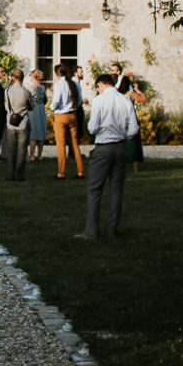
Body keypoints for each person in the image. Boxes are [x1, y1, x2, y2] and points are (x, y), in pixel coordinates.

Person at [77, 73, 138, 241]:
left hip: (103, 146)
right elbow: (134, 128)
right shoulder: (125, 100)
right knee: (116, 190)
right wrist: (123, 135)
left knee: (95, 189)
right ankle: (112, 229)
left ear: (100, 85)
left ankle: (91, 230)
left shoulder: (99, 100)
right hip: (120, 146)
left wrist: (101, 130)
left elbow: (92, 128)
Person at [50, 64, 84, 180]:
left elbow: (56, 101)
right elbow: (79, 101)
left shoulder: (59, 85)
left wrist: (51, 107)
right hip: (72, 114)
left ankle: (61, 172)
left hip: (61, 115)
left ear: (56, 74)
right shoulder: (73, 83)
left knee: (61, 144)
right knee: (74, 143)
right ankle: (80, 171)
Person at [3, 69, 34, 182]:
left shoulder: (7, 91)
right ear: (22, 78)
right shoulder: (25, 92)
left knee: (11, 149)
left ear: (13, 77)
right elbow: (31, 106)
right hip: (23, 122)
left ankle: (10, 174)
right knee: (22, 150)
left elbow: (6, 106)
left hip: (10, 122)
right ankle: (19, 174)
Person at [115, 72, 147, 173]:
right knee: (133, 142)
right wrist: (137, 90)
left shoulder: (117, 94)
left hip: (120, 118)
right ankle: (135, 167)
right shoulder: (131, 94)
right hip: (131, 117)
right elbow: (144, 99)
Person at [27, 69, 48, 161]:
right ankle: (39, 155)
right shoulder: (43, 87)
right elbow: (44, 99)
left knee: (33, 133)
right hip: (41, 109)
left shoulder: (31, 88)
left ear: (33, 77)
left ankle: (31, 155)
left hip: (33, 109)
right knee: (41, 132)